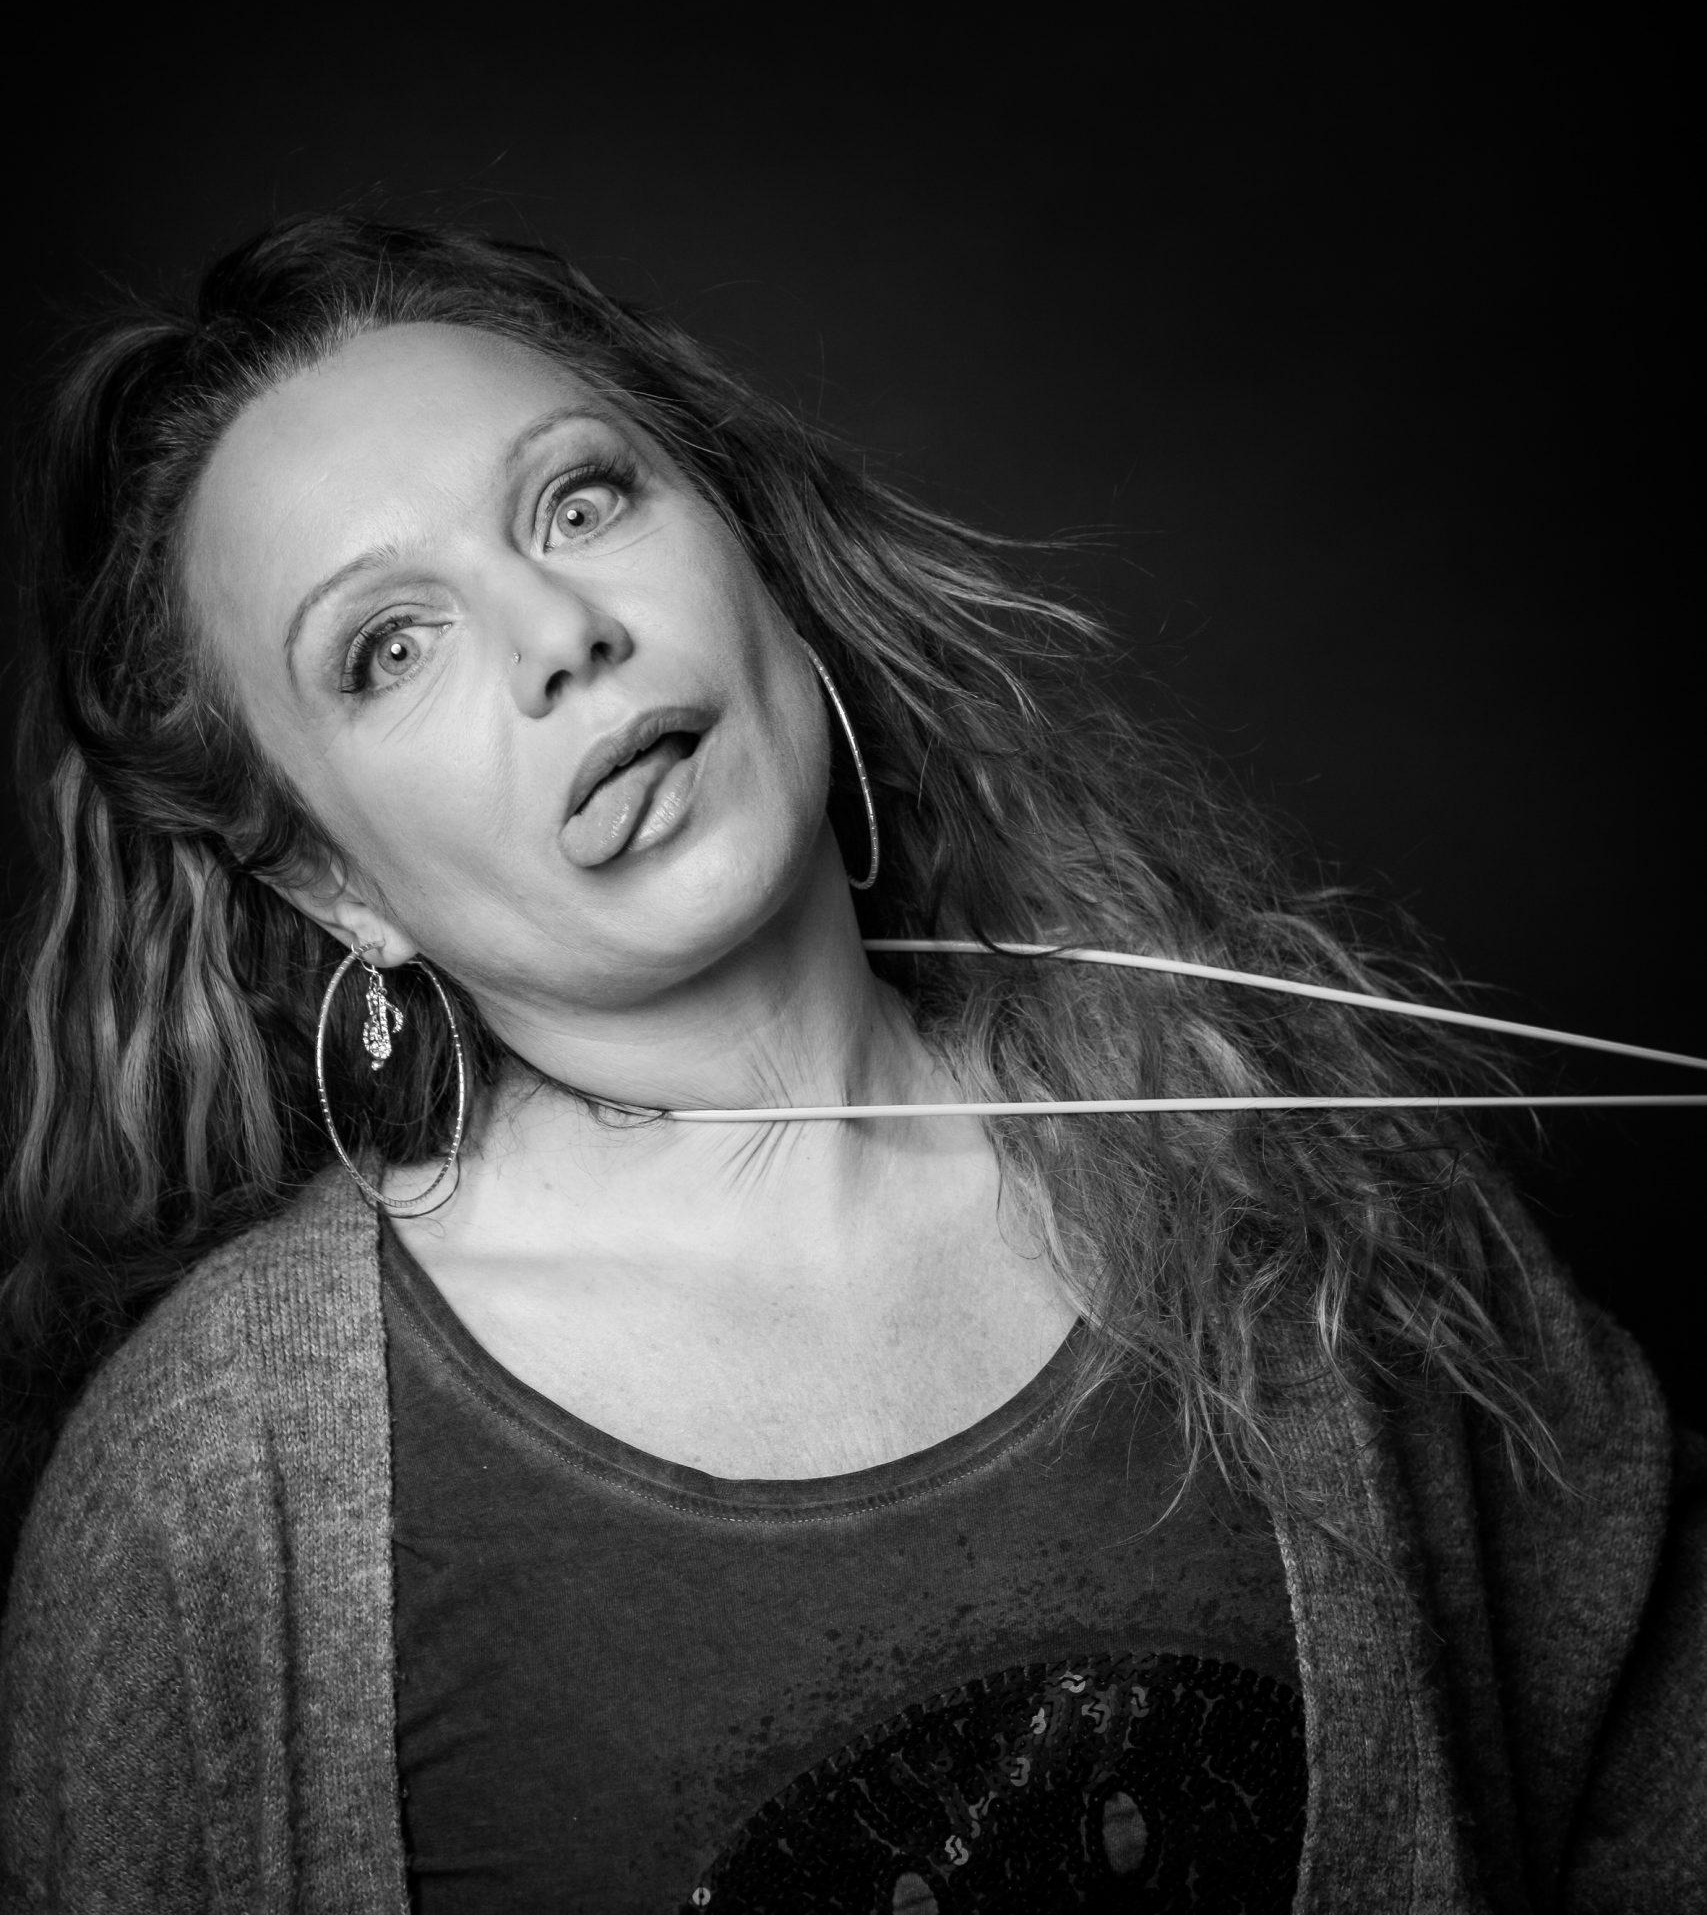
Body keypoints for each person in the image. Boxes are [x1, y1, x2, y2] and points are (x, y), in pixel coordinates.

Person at [0, 214, 1699, 1915]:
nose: (557, 632)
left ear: (750, 550)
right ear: (331, 882)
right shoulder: (208, 1489)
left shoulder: (1287, 1172)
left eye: (580, 503)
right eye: (390, 646)